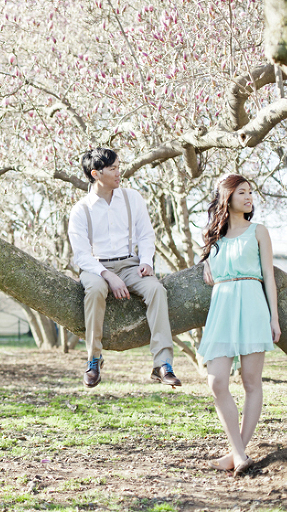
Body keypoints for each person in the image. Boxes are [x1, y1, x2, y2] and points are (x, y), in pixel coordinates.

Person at [67, 148, 181, 389]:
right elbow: (81, 255)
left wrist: (146, 261)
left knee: (157, 290)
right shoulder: (81, 209)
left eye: (119, 166)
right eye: (113, 169)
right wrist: (108, 276)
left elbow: (146, 235)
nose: (120, 172)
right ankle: (93, 359)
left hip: (131, 264)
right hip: (96, 267)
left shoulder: (132, 198)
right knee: (96, 290)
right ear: (96, 174)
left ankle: (162, 365)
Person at [199, 174, 281, 477]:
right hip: (222, 308)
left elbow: (269, 276)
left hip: (251, 303)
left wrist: (273, 317)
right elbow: (209, 265)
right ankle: (238, 452)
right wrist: (207, 259)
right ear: (227, 197)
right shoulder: (214, 240)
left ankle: (238, 453)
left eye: (250, 192)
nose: (249, 197)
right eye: (242, 192)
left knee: (250, 381)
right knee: (216, 381)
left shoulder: (258, 231)